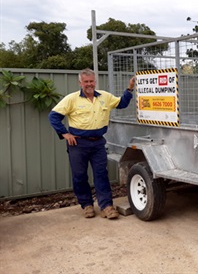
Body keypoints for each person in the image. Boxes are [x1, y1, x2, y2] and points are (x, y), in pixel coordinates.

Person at [49, 68, 135, 219]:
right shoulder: (72, 99)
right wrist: (65, 133)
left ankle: (106, 206)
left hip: (98, 144)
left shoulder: (105, 97)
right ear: (80, 82)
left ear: (95, 82)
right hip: (78, 144)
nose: (89, 84)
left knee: (101, 174)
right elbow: (54, 116)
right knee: (79, 175)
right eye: (86, 82)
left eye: (91, 81)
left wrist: (129, 89)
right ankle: (86, 205)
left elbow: (121, 103)